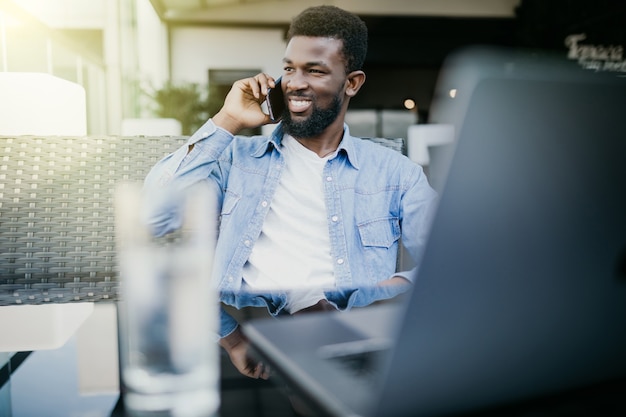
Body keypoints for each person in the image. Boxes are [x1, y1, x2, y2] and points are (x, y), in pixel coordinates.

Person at [143, 5, 437, 380]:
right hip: (255, 333)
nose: (295, 83)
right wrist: (228, 121)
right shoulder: (235, 159)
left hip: (360, 335)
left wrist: (393, 287)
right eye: (288, 69)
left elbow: (452, 265)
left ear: (352, 82)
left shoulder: (396, 173)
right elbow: (154, 215)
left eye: (314, 70)